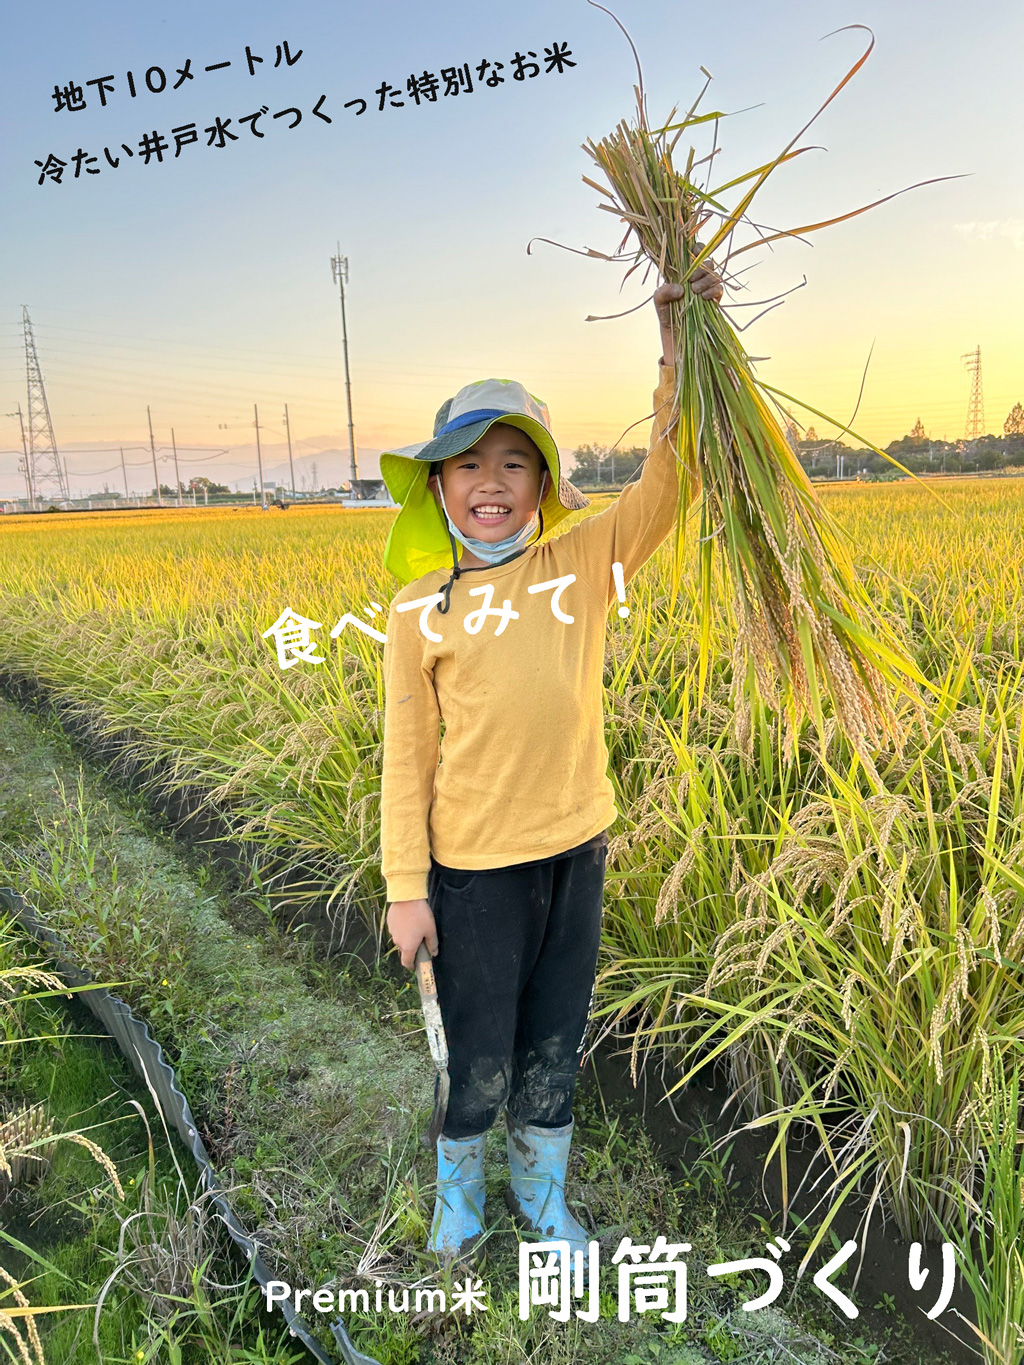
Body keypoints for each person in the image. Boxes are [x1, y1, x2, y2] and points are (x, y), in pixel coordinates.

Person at [378, 266, 725, 1267]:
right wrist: (407, 890)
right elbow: (403, 756)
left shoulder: (584, 564)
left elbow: (672, 484)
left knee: (552, 1040)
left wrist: (676, 348)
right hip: (474, 870)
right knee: (476, 1049)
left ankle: (541, 1198)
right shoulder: (419, 608)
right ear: (438, 487)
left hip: (576, 850)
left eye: (514, 465)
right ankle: (459, 1200)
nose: (490, 484)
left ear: (544, 486)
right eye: (466, 466)